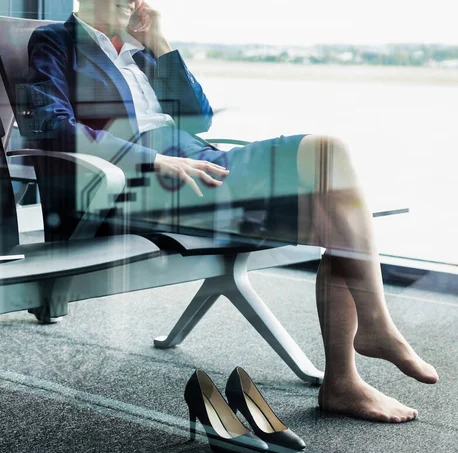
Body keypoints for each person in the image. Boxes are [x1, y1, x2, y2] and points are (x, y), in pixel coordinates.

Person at [23, 0, 438, 423]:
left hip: (198, 173)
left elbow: (197, 119)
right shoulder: (56, 41)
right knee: (327, 152)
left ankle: (343, 382)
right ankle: (376, 328)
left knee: (337, 212)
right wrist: (151, 160)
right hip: (137, 187)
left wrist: (160, 44)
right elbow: (49, 124)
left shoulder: (140, 49)